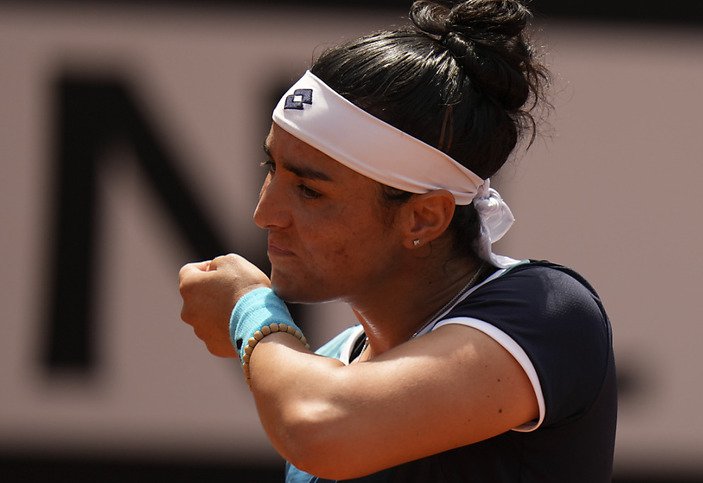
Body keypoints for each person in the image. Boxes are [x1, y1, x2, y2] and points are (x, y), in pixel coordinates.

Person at [178, 0, 617, 481]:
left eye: (309, 189)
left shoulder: (548, 312)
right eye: (271, 169)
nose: (265, 214)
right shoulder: (322, 368)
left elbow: (320, 426)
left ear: (424, 218)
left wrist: (250, 310)